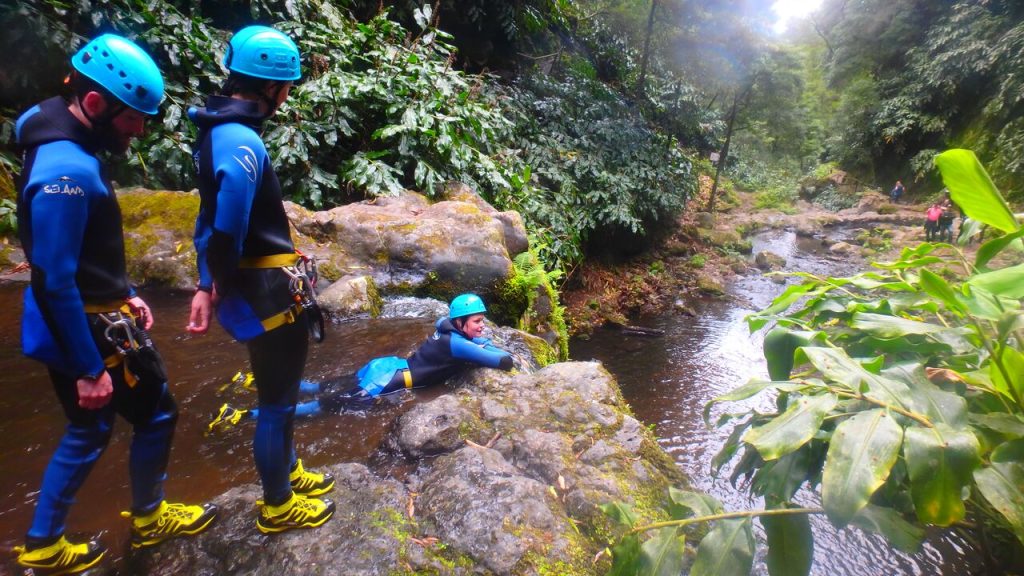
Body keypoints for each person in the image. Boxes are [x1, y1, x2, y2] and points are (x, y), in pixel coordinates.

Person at [12, 34, 217, 574]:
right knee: (156, 414)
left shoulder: (51, 126)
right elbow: (54, 276)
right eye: (133, 119)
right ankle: (149, 517)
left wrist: (123, 290)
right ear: (97, 105)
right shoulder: (69, 173)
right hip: (83, 325)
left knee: (90, 429)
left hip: (83, 312)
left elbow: (75, 255)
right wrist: (87, 368)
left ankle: (42, 542)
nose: (140, 130)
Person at [186, 25, 335, 534]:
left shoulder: (215, 130)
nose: (288, 94)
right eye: (287, 86)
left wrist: (209, 283)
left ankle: (287, 471)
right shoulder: (241, 141)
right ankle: (277, 505)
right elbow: (225, 222)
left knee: (280, 391)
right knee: (276, 402)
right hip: (266, 291)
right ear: (272, 86)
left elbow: (207, 222)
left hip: (253, 287)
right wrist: (218, 281)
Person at [209, 294, 515, 427]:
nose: (482, 327)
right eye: (476, 322)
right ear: (460, 323)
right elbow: (503, 361)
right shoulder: (460, 345)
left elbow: (474, 341)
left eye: (482, 321)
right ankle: (241, 416)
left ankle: (254, 381)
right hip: (386, 381)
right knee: (319, 407)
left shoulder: (444, 326)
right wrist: (488, 345)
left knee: (317, 386)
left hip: (385, 365)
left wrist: (480, 338)